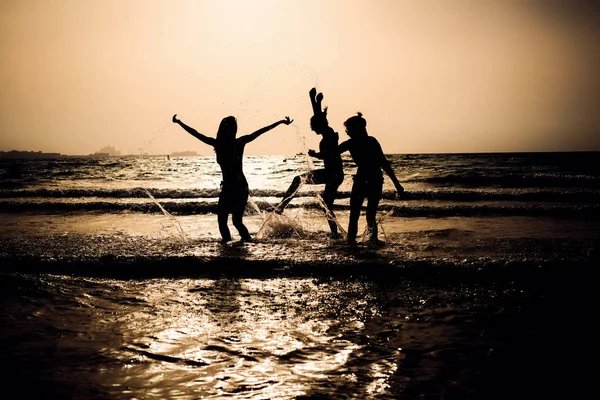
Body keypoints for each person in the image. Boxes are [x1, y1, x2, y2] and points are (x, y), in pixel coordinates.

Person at [172, 113, 294, 242]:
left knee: (236, 221)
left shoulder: (239, 142)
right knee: (222, 220)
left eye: (232, 128)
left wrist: (280, 122)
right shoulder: (217, 144)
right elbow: (196, 134)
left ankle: (248, 243)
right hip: (228, 187)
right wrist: (179, 123)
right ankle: (227, 246)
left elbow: (261, 131)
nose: (231, 131)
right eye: (228, 128)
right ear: (223, 130)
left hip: (240, 186)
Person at [274, 88, 344, 238]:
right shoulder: (327, 132)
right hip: (335, 174)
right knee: (327, 206)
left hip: (333, 174)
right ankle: (335, 234)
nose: (313, 130)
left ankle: (282, 206)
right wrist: (315, 102)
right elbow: (319, 118)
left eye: (313, 127)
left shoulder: (329, 134)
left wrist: (316, 154)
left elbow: (330, 153)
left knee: (298, 179)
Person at [338, 112, 404, 246]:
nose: (347, 133)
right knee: (356, 213)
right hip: (365, 179)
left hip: (373, 179)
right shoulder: (351, 143)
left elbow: (384, 163)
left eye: (349, 130)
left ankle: (371, 240)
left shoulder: (371, 142)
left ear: (358, 129)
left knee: (367, 214)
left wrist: (397, 184)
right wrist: (317, 154)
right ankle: (353, 241)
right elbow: (333, 152)